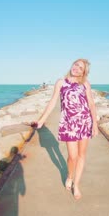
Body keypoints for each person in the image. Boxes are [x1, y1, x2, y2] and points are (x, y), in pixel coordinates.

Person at [35, 58, 98, 200]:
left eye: (80, 68)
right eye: (76, 64)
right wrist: (42, 120)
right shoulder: (61, 82)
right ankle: (70, 176)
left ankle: (77, 185)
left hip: (84, 122)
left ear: (84, 72)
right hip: (69, 124)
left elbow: (91, 105)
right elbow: (52, 103)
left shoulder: (85, 84)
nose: (76, 68)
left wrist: (94, 124)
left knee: (82, 155)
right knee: (72, 156)